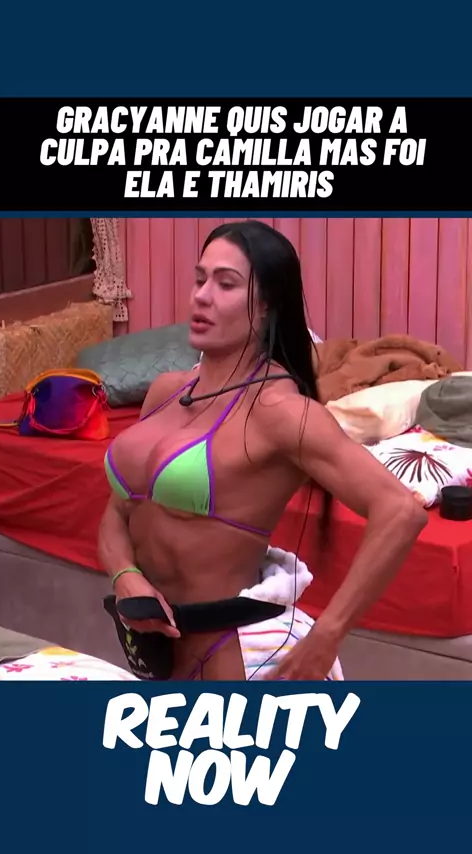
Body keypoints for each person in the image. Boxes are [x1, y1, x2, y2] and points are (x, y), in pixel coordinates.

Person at [98, 219, 427, 681]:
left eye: (226, 284)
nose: (202, 296)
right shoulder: (167, 391)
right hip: (151, 648)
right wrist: (124, 575)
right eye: (200, 279)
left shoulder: (281, 412)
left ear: (267, 303)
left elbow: (400, 512)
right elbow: (118, 512)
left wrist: (329, 633)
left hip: (228, 653)